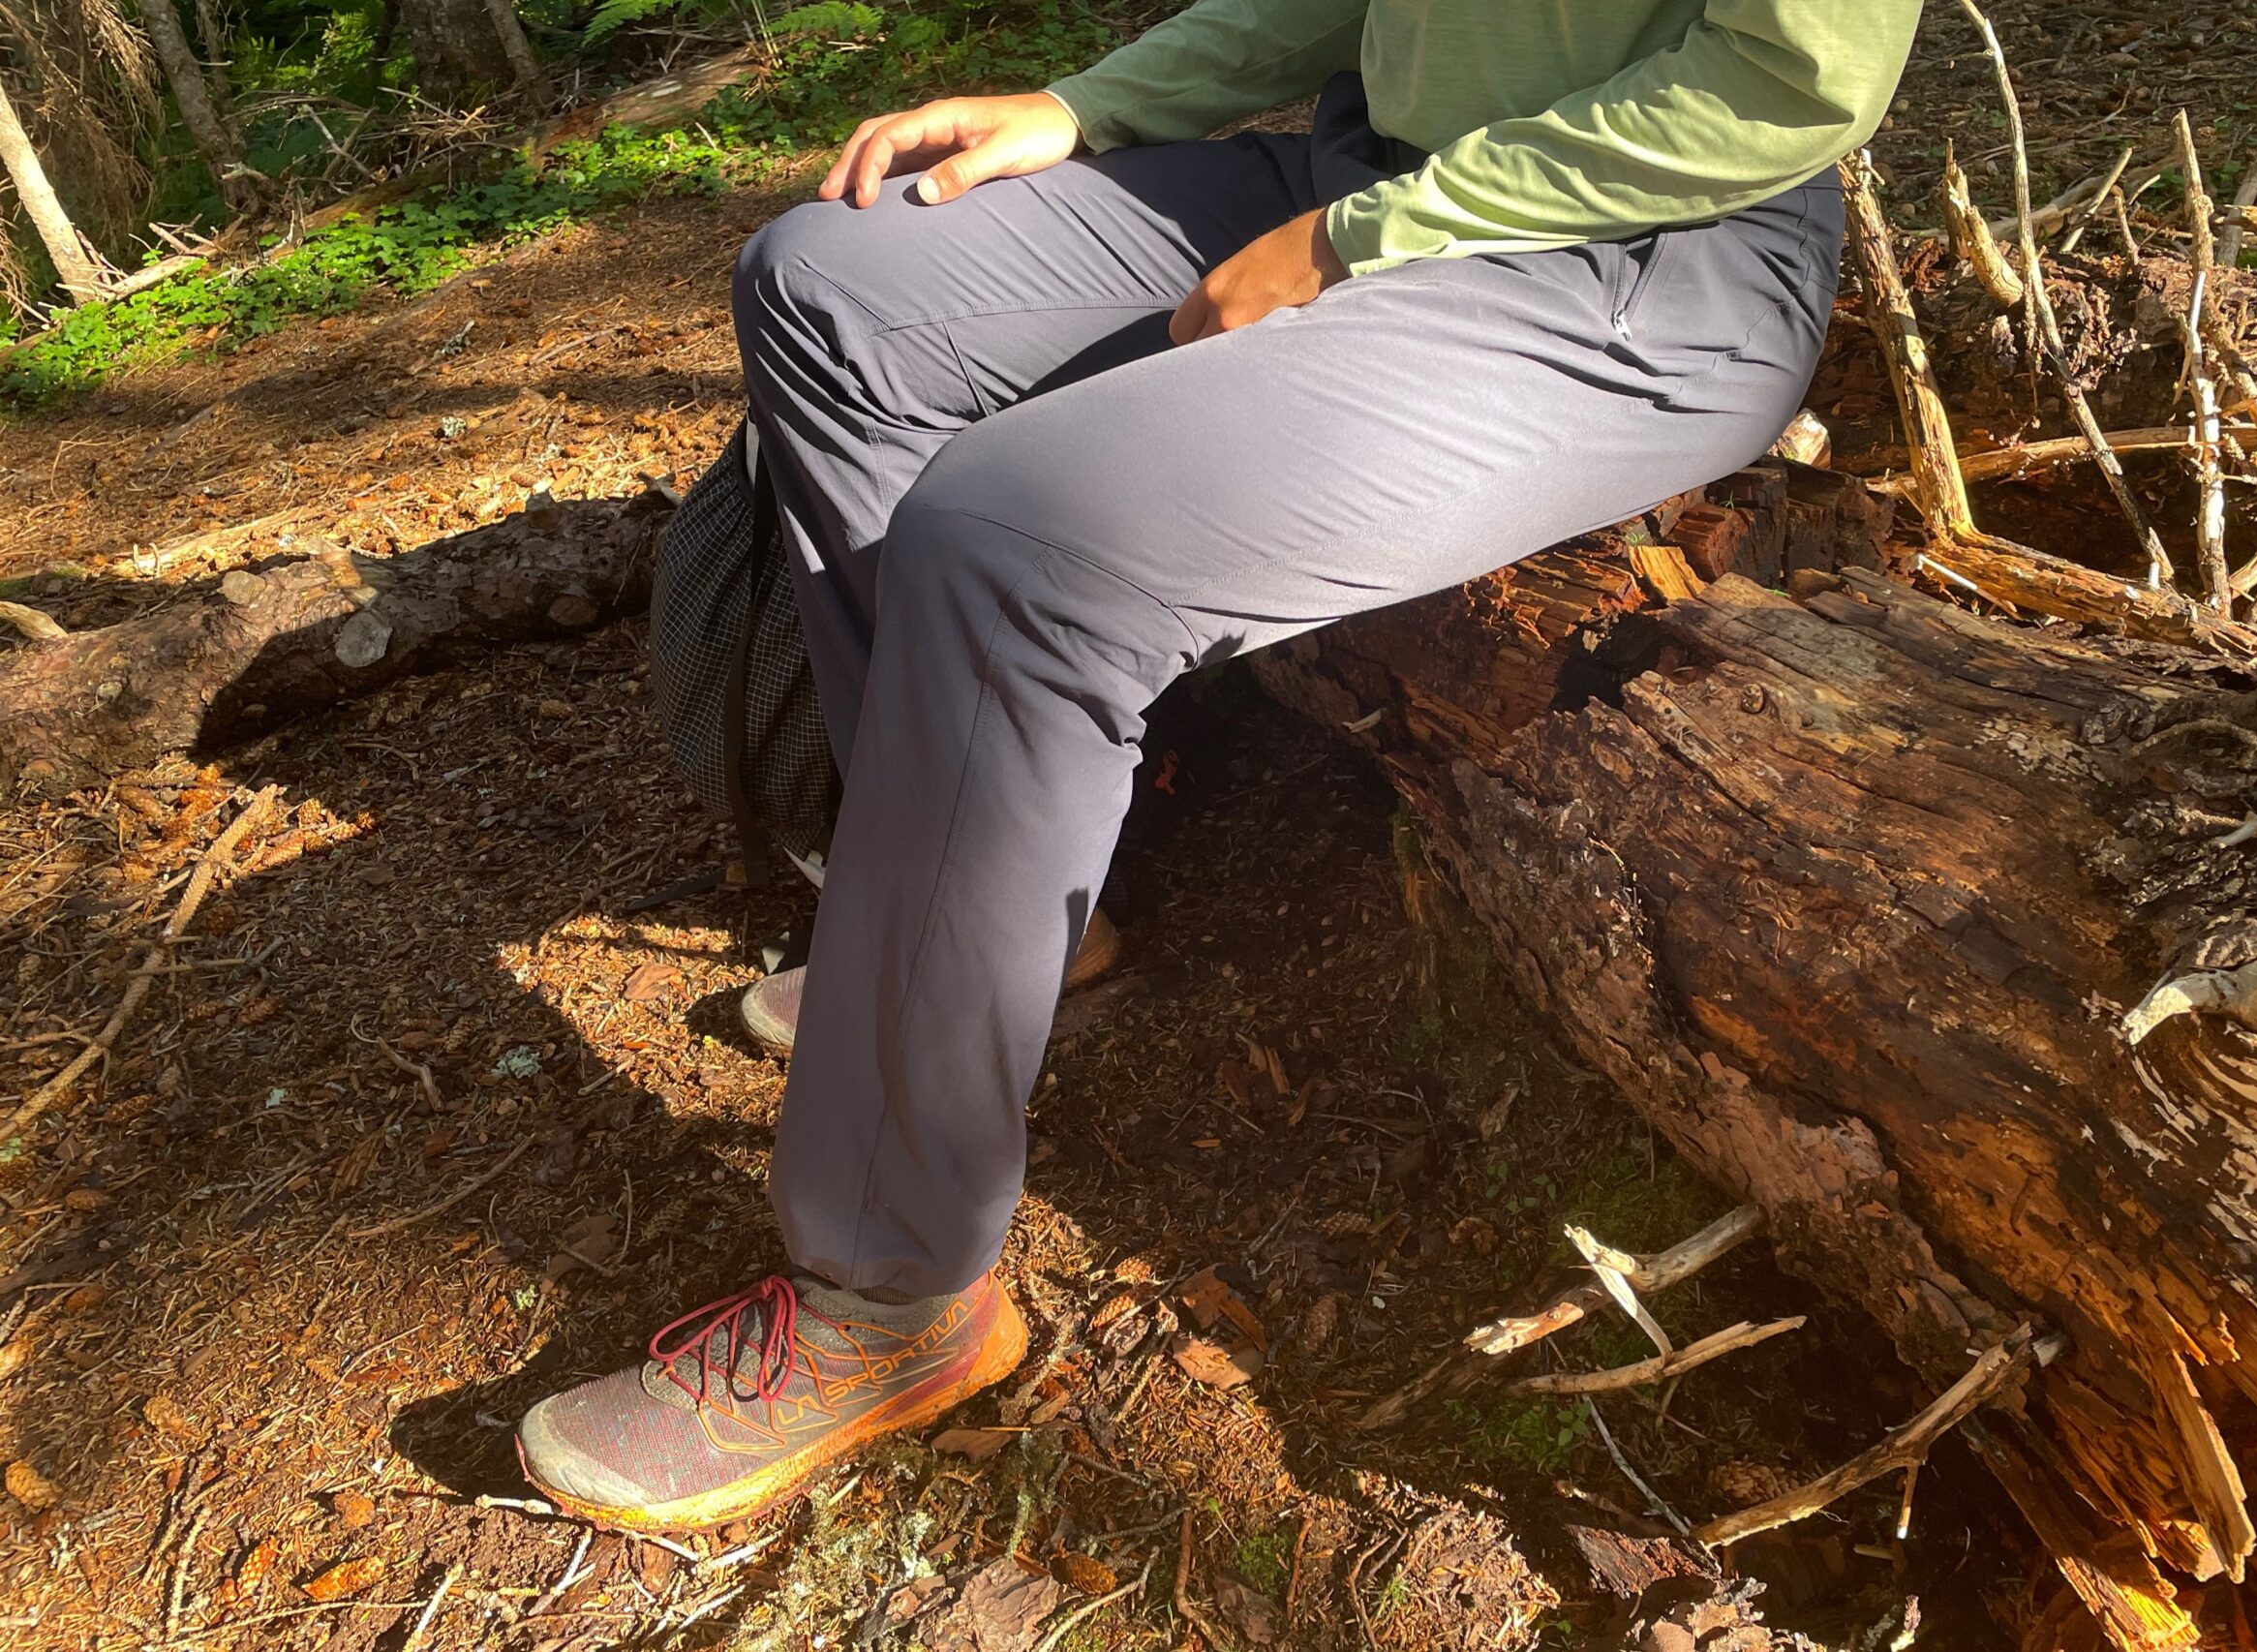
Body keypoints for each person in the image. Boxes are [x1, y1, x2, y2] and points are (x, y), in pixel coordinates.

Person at [514, 0, 1921, 1533]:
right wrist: (1087, 106)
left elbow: (1790, 81)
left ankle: (890, 1286)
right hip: (1373, 171)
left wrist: (1362, 241)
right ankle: (992, 926)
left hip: (1641, 257)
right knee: (827, 288)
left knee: (1007, 537)